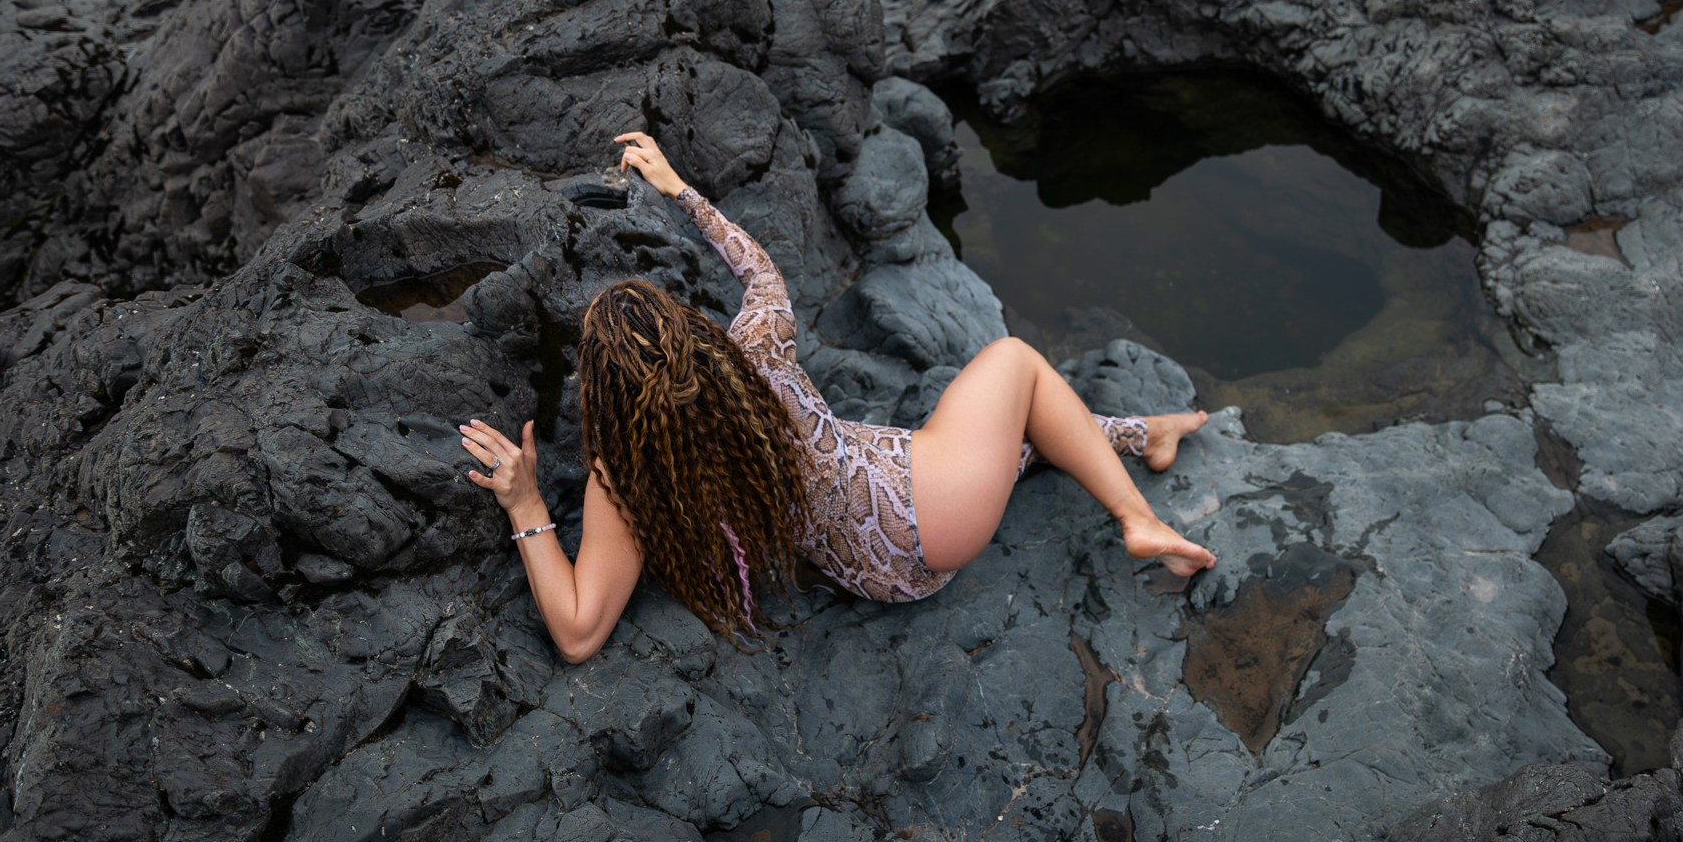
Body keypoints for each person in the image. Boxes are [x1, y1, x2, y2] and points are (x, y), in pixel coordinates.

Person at [457, 131, 1215, 662]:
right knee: (1014, 364)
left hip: (873, 571)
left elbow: (579, 631)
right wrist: (680, 190)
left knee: (1025, 437)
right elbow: (758, 272)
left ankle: (1146, 433)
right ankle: (1138, 519)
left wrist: (527, 507)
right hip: (930, 505)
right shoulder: (759, 347)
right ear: (692, 337)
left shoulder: (627, 482)